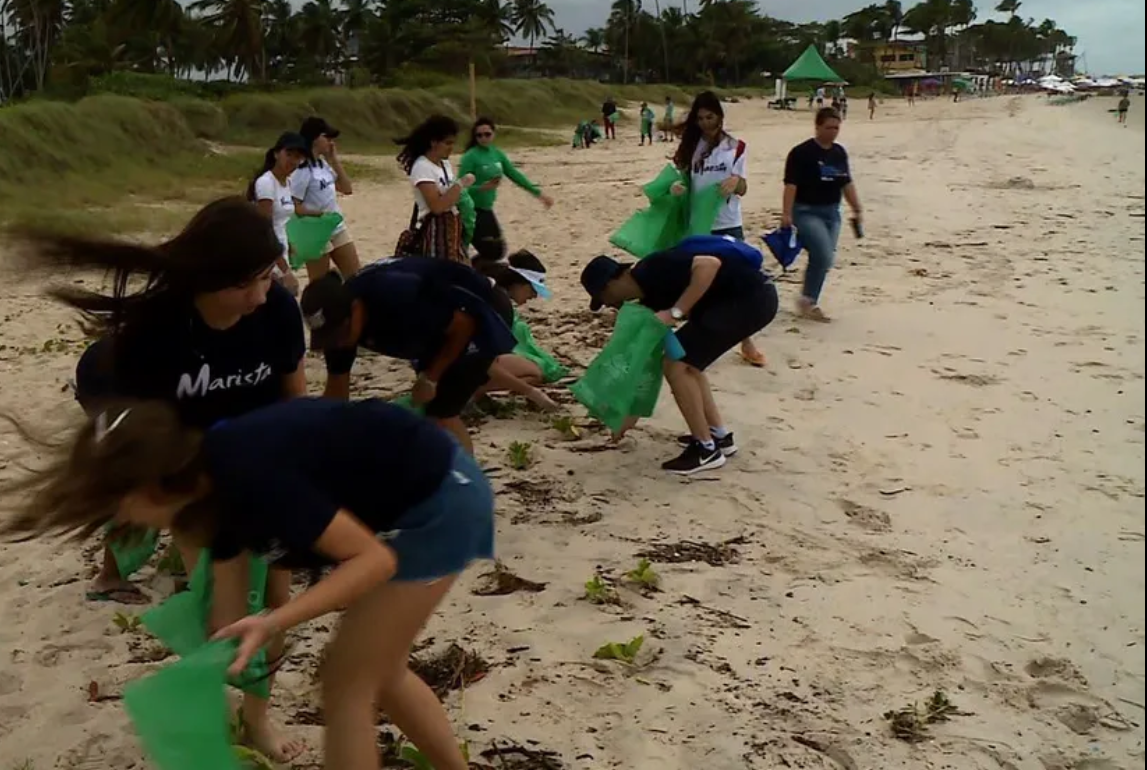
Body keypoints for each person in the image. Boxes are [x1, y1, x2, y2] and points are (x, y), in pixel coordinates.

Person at [0, 397, 494, 770]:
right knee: (377, 670)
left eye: (117, 503)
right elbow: (229, 607)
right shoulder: (203, 494)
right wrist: (209, 669)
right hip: (396, 508)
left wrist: (275, 619)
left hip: (440, 501)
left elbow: (371, 561)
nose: (117, 518)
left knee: (347, 683)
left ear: (152, 485)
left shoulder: (250, 474)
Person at [9, 196, 307, 761]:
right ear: (207, 277)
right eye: (246, 283)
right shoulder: (157, 331)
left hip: (267, 466)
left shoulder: (277, 313)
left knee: (276, 598)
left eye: (267, 277)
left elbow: (295, 401)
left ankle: (257, 717)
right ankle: (210, 701)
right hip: (192, 481)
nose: (260, 295)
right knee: (220, 605)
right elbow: (137, 431)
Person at [579, 246, 779, 475]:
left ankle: (706, 450)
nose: (607, 305)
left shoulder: (652, 268)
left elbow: (709, 264)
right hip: (737, 303)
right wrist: (629, 415)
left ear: (611, 284)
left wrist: (676, 312)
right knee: (687, 363)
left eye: (603, 298)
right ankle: (718, 436)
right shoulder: (648, 299)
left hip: (749, 299)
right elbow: (647, 357)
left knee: (677, 367)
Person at [300, 258, 516, 454]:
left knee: (441, 413)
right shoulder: (338, 327)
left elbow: (463, 324)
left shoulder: (397, 296)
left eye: (340, 334)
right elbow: (337, 390)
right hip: (435, 328)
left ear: (355, 308)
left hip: (482, 309)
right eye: (329, 338)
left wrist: (432, 377)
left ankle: (467, 485)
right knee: (430, 409)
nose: (338, 343)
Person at [670, 91, 765, 368]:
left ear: (720, 116)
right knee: (699, 285)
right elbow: (683, 181)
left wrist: (736, 181)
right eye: (699, 118)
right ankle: (699, 341)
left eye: (709, 117)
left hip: (729, 223)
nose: (705, 123)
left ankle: (746, 343)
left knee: (740, 284)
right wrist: (677, 188)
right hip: (699, 225)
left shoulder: (735, 147)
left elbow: (744, 188)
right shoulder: (692, 147)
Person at [782, 107, 863, 322]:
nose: (833, 132)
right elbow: (791, 185)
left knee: (822, 259)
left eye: (837, 127)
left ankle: (808, 301)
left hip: (831, 213)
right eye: (828, 127)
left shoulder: (838, 153)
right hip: (806, 211)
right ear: (817, 126)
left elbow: (846, 182)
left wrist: (857, 208)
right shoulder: (801, 153)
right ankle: (808, 300)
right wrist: (786, 214)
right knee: (824, 254)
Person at [457, 117, 554, 268]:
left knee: (497, 249)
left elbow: (514, 175)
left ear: (493, 134)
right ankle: (471, 270)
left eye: (487, 134)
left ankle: (472, 269)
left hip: (486, 208)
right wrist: (481, 188)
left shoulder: (497, 154)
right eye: (479, 135)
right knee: (490, 249)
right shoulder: (470, 156)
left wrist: (538, 194)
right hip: (470, 209)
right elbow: (459, 188)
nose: (483, 138)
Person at [474, 252, 564, 409]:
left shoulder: (490, 291)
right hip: (461, 363)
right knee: (534, 373)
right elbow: (484, 360)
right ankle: (471, 394)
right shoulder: (501, 305)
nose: (534, 296)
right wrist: (530, 392)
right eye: (532, 289)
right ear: (518, 284)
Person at [395, 115, 475, 264]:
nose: (451, 147)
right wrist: (460, 184)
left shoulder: (444, 164)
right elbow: (437, 206)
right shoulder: (422, 167)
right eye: (447, 143)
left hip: (451, 226)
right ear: (433, 142)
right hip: (435, 230)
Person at [291, 116, 360, 283]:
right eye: (326, 137)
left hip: (335, 227)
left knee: (356, 277)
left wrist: (334, 160)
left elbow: (346, 188)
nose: (330, 142)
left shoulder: (323, 164)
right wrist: (319, 214)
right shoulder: (301, 169)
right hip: (314, 231)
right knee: (319, 284)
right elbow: (295, 207)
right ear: (315, 139)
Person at [248, 131, 308, 296]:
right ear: (276, 154)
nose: (293, 161)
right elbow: (264, 229)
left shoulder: (287, 182)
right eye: (289, 154)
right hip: (269, 256)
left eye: (298, 157)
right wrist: (284, 269)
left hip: (279, 251)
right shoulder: (267, 183)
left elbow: (281, 221)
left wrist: (290, 245)